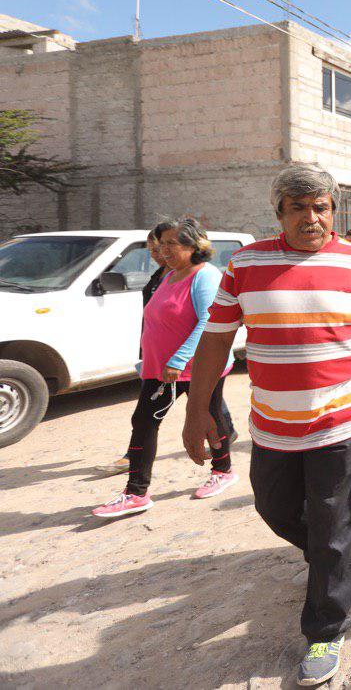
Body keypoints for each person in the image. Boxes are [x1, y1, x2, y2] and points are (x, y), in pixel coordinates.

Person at [181, 164, 351, 687]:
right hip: (272, 425)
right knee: (274, 508)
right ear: (279, 212)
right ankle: (336, 561)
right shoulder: (247, 263)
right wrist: (196, 410)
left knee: (331, 519)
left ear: (334, 211)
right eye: (299, 208)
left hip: (339, 421)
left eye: (321, 207)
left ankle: (326, 626)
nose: (312, 217)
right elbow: (215, 338)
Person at [92, 218, 238, 517]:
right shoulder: (168, 275)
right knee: (144, 422)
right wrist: (148, 359)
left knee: (209, 417)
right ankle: (136, 493)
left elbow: (207, 322)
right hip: (160, 368)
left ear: (194, 245)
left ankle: (222, 471)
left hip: (197, 366)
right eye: (160, 245)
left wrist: (178, 358)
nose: (163, 250)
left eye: (171, 243)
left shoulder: (204, 276)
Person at [98, 227, 169, 477]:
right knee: (145, 417)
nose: (156, 254)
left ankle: (222, 463)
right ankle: (134, 462)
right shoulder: (160, 274)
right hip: (156, 356)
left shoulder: (190, 277)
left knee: (210, 410)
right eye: (151, 250)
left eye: (159, 248)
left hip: (179, 362)